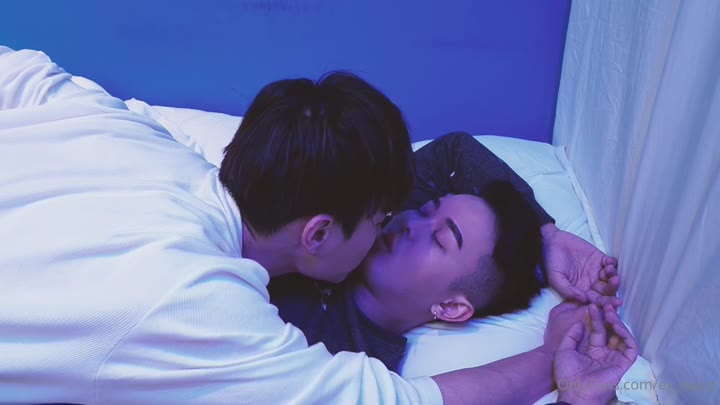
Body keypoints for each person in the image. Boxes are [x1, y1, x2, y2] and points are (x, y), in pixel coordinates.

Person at [0, 46, 622, 404]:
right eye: (381, 216)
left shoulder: (115, 123)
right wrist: (550, 356)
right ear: (319, 235)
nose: (397, 221)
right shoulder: (201, 311)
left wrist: (544, 237)